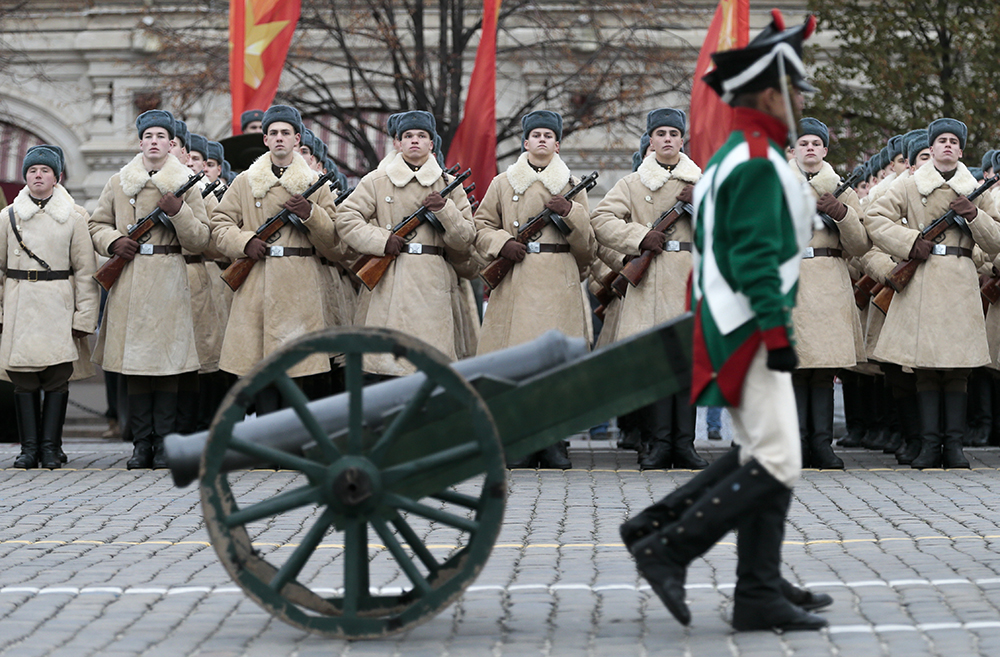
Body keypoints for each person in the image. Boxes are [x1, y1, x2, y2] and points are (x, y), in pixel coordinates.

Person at [622, 11, 831, 632]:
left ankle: (754, 585)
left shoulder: (734, 155)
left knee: (764, 452)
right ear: (768, 93)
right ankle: (670, 546)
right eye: (792, 88)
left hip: (726, 319)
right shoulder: (759, 163)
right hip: (747, 326)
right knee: (776, 459)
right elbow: (755, 258)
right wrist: (775, 333)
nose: (798, 100)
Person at [866, 118, 1000, 469]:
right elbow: (875, 217)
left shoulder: (977, 189)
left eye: (954, 141)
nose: (947, 146)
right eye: (941, 140)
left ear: (961, 149)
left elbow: (997, 238)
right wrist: (910, 242)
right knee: (924, 368)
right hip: (922, 277)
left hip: (960, 280)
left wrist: (974, 217)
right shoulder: (911, 185)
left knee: (958, 370)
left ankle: (953, 448)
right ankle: (928, 447)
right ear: (932, 145)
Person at [88, 109, 211, 468]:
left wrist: (178, 213)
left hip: (171, 278)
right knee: (137, 368)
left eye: (161, 137)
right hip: (131, 278)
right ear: (140, 143)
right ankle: (142, 444)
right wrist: (114, 244)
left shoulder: (187, 181)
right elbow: (97, 224)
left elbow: (201, 237)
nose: (154, 142)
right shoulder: (118, 182)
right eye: (148, 137)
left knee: (169, 368)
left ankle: (165, 445)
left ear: (171, 144)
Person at [473, 110, 596, 468]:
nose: (541, 140)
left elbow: (588, 246)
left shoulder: (572, 183)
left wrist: (570, 212)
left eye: (548, 135)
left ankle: (553, 442)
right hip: (515, 275)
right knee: (519, 366)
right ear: (525, 142)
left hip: (558, 278)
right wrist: (501, 244)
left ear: (557, 144)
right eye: (535, 135)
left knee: (554, 369)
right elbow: (480, 226)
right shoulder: (503, 183)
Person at [590, 108, 706, 470]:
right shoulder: (632, 183)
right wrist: (641, 236)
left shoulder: (704, 182)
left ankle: (684, 445)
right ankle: (657, 445)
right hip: (651, 279)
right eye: (660, 134)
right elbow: (601, 220)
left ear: (682, 139)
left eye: (674, 133)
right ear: (650, 141)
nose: (668, 139)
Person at [211, 105, 342, 414]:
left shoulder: (316, 183)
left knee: (299, 372)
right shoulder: (244, 182)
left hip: (302, 283)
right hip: (259, 279)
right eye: (273, 133)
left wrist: (310, 214)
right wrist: (245, 242)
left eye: (286, 133)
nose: (279, 138)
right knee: (262, 370)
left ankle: (294, 445)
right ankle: (267, 447)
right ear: (265, 140)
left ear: (297, 139)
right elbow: (219, 226)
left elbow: (336, 241)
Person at [335, 110, 476, 377]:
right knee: (384, 368)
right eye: (408, 136)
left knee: (429, 368)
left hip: (432, 280)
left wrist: (445, 210)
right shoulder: (377, 180)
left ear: (432, 143)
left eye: (422, 136)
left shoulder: (449, 184)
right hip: (389, 279)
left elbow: (466, 239)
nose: (414, 141)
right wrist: (381, 240)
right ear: (398, 142)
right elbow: (345, 219)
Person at [1, 145, 99, 469]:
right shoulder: (7, 217)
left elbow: (85, 271)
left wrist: (85, 315)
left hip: (59, 300)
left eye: (44, 171)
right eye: (32, 171)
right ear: (25, 177)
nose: (38, 176)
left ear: (56, 178)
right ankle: (28, 449)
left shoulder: (73, 217)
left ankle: (51, 447)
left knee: (57, 377)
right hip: (19, 301)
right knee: (23, 378)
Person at [788, 117, 869, 469]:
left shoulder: (841, 188)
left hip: (828, 280)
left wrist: (842, 214)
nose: (810, 148)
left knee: (823, 371)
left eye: (816, 143)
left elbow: (860, 244)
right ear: (793, 150)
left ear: (824, 149)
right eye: (803, 143)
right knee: (792, 369)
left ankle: (821, 445)